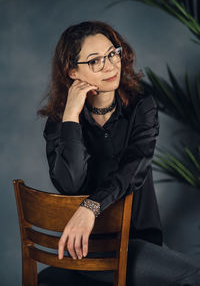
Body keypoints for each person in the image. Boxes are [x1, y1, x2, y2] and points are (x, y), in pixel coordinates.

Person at [37, 21, 200, 286]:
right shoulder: (60, 122)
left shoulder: (141, 107)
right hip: (87, 248)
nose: (110, 65)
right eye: (95, 61)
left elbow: (133, 169)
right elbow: (70, 183)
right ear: (72, 71)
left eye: (113, 53)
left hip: (137, 241)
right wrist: (71, 116)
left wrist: (91, 206)